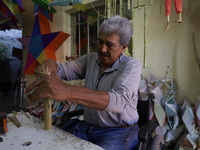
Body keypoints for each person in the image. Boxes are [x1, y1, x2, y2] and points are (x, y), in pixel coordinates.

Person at [25, 15, 141, 150]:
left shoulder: (131, 65)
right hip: (87, 126)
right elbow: (64, 70)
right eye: (100, 42)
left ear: (123, 48)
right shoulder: (91, 59)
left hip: (118, 131)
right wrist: (52, 65)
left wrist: (68, 91)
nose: (102, 49)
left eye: (110, 45)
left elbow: (118, 101)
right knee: (53, 145)